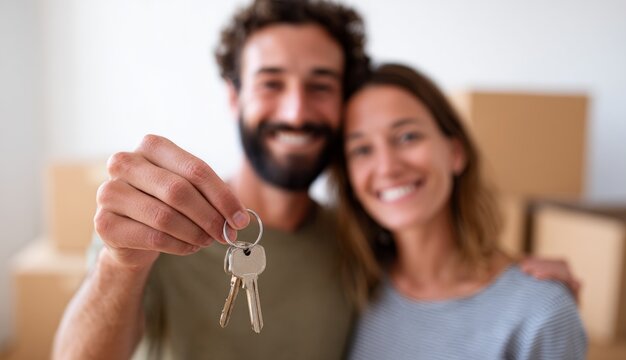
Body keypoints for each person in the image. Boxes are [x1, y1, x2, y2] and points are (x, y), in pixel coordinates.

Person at [53, 1, 580, 359]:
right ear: (234, 98)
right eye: (271, 83)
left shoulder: (357, 248)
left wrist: (522, 281)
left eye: (320, 85)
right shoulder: (162, 224)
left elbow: (447, 281)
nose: (297, 109)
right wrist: (121, 264)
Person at [330, 63, 587, 359]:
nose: (387, 167)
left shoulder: (540, 312)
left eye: (407, 137)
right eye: (362, 150)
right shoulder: (352, 289)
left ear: (455, 152)